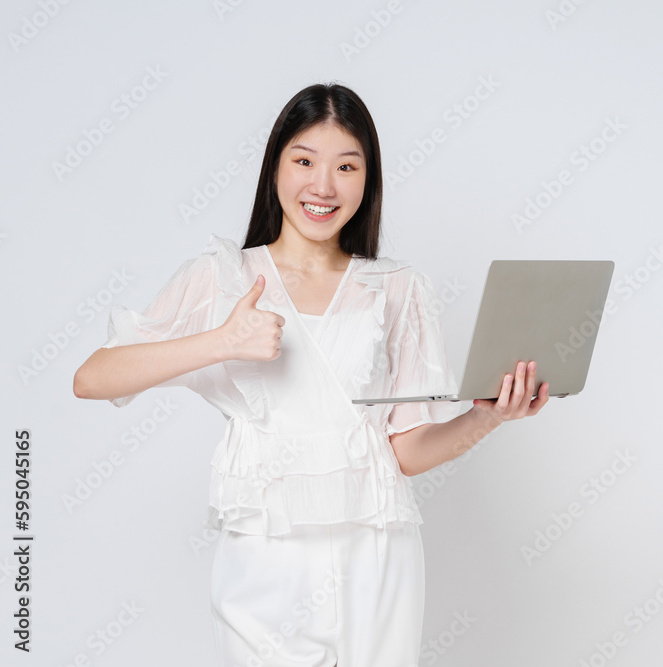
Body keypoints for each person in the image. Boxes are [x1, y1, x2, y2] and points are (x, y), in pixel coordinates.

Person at [73, 82, 549, 667]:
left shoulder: (395, 288)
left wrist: (487, 417)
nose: (323, 186)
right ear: (275, 167)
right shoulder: (224, 277)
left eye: (346, 166)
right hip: (265, 557)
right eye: (304, 161)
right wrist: (222, 341)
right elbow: (93, 378)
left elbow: (406, 451)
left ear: (368, 179)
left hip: (377, 553)